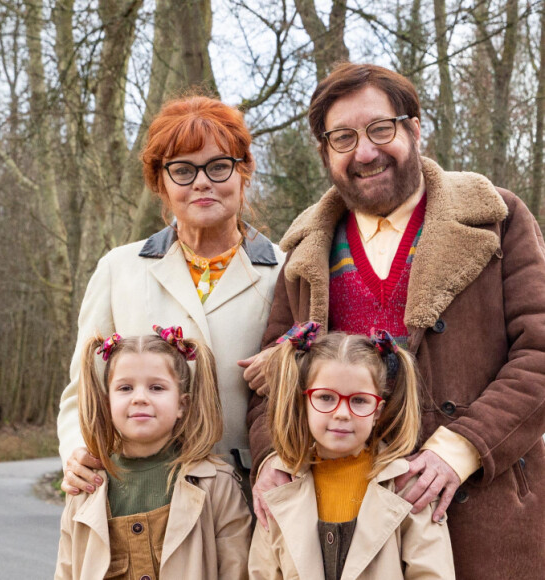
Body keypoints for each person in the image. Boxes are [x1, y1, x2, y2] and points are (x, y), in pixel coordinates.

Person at [245, 62, 545, 579]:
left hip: (483, 513)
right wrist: (271, 453)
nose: (365, 151)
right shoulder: (304, 252)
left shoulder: (498, 218)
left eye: (380, 129)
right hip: (346, 529)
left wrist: (461, 448)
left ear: (414, 128)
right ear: (325, 151)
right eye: (343, 137)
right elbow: (270, 379)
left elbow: (539, 351)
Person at [58, 95, 285, 498]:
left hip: (252, 500)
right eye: (182, 170)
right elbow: (83, 390)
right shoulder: (119, 269)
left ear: (243, 172)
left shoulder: (286, 273)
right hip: (142, 500)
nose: (202, 182)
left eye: (219, 166)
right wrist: (77, 450)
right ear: (160, 181)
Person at [248, 324, 455, 579]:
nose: (342, 413)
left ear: (377, 412)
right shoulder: (279, 489)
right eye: (325, 398)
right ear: (305, 404)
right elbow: (263, 572)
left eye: (359, 400)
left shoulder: (406, 488)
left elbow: (432, 573)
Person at [55, 326, 251, 579]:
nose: (140, 398)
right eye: (125, 388)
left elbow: (237, 570)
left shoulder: (216, 484)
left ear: (182, 404)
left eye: (156, 388)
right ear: (108, 404)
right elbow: (67, 569)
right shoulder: (86, 487)